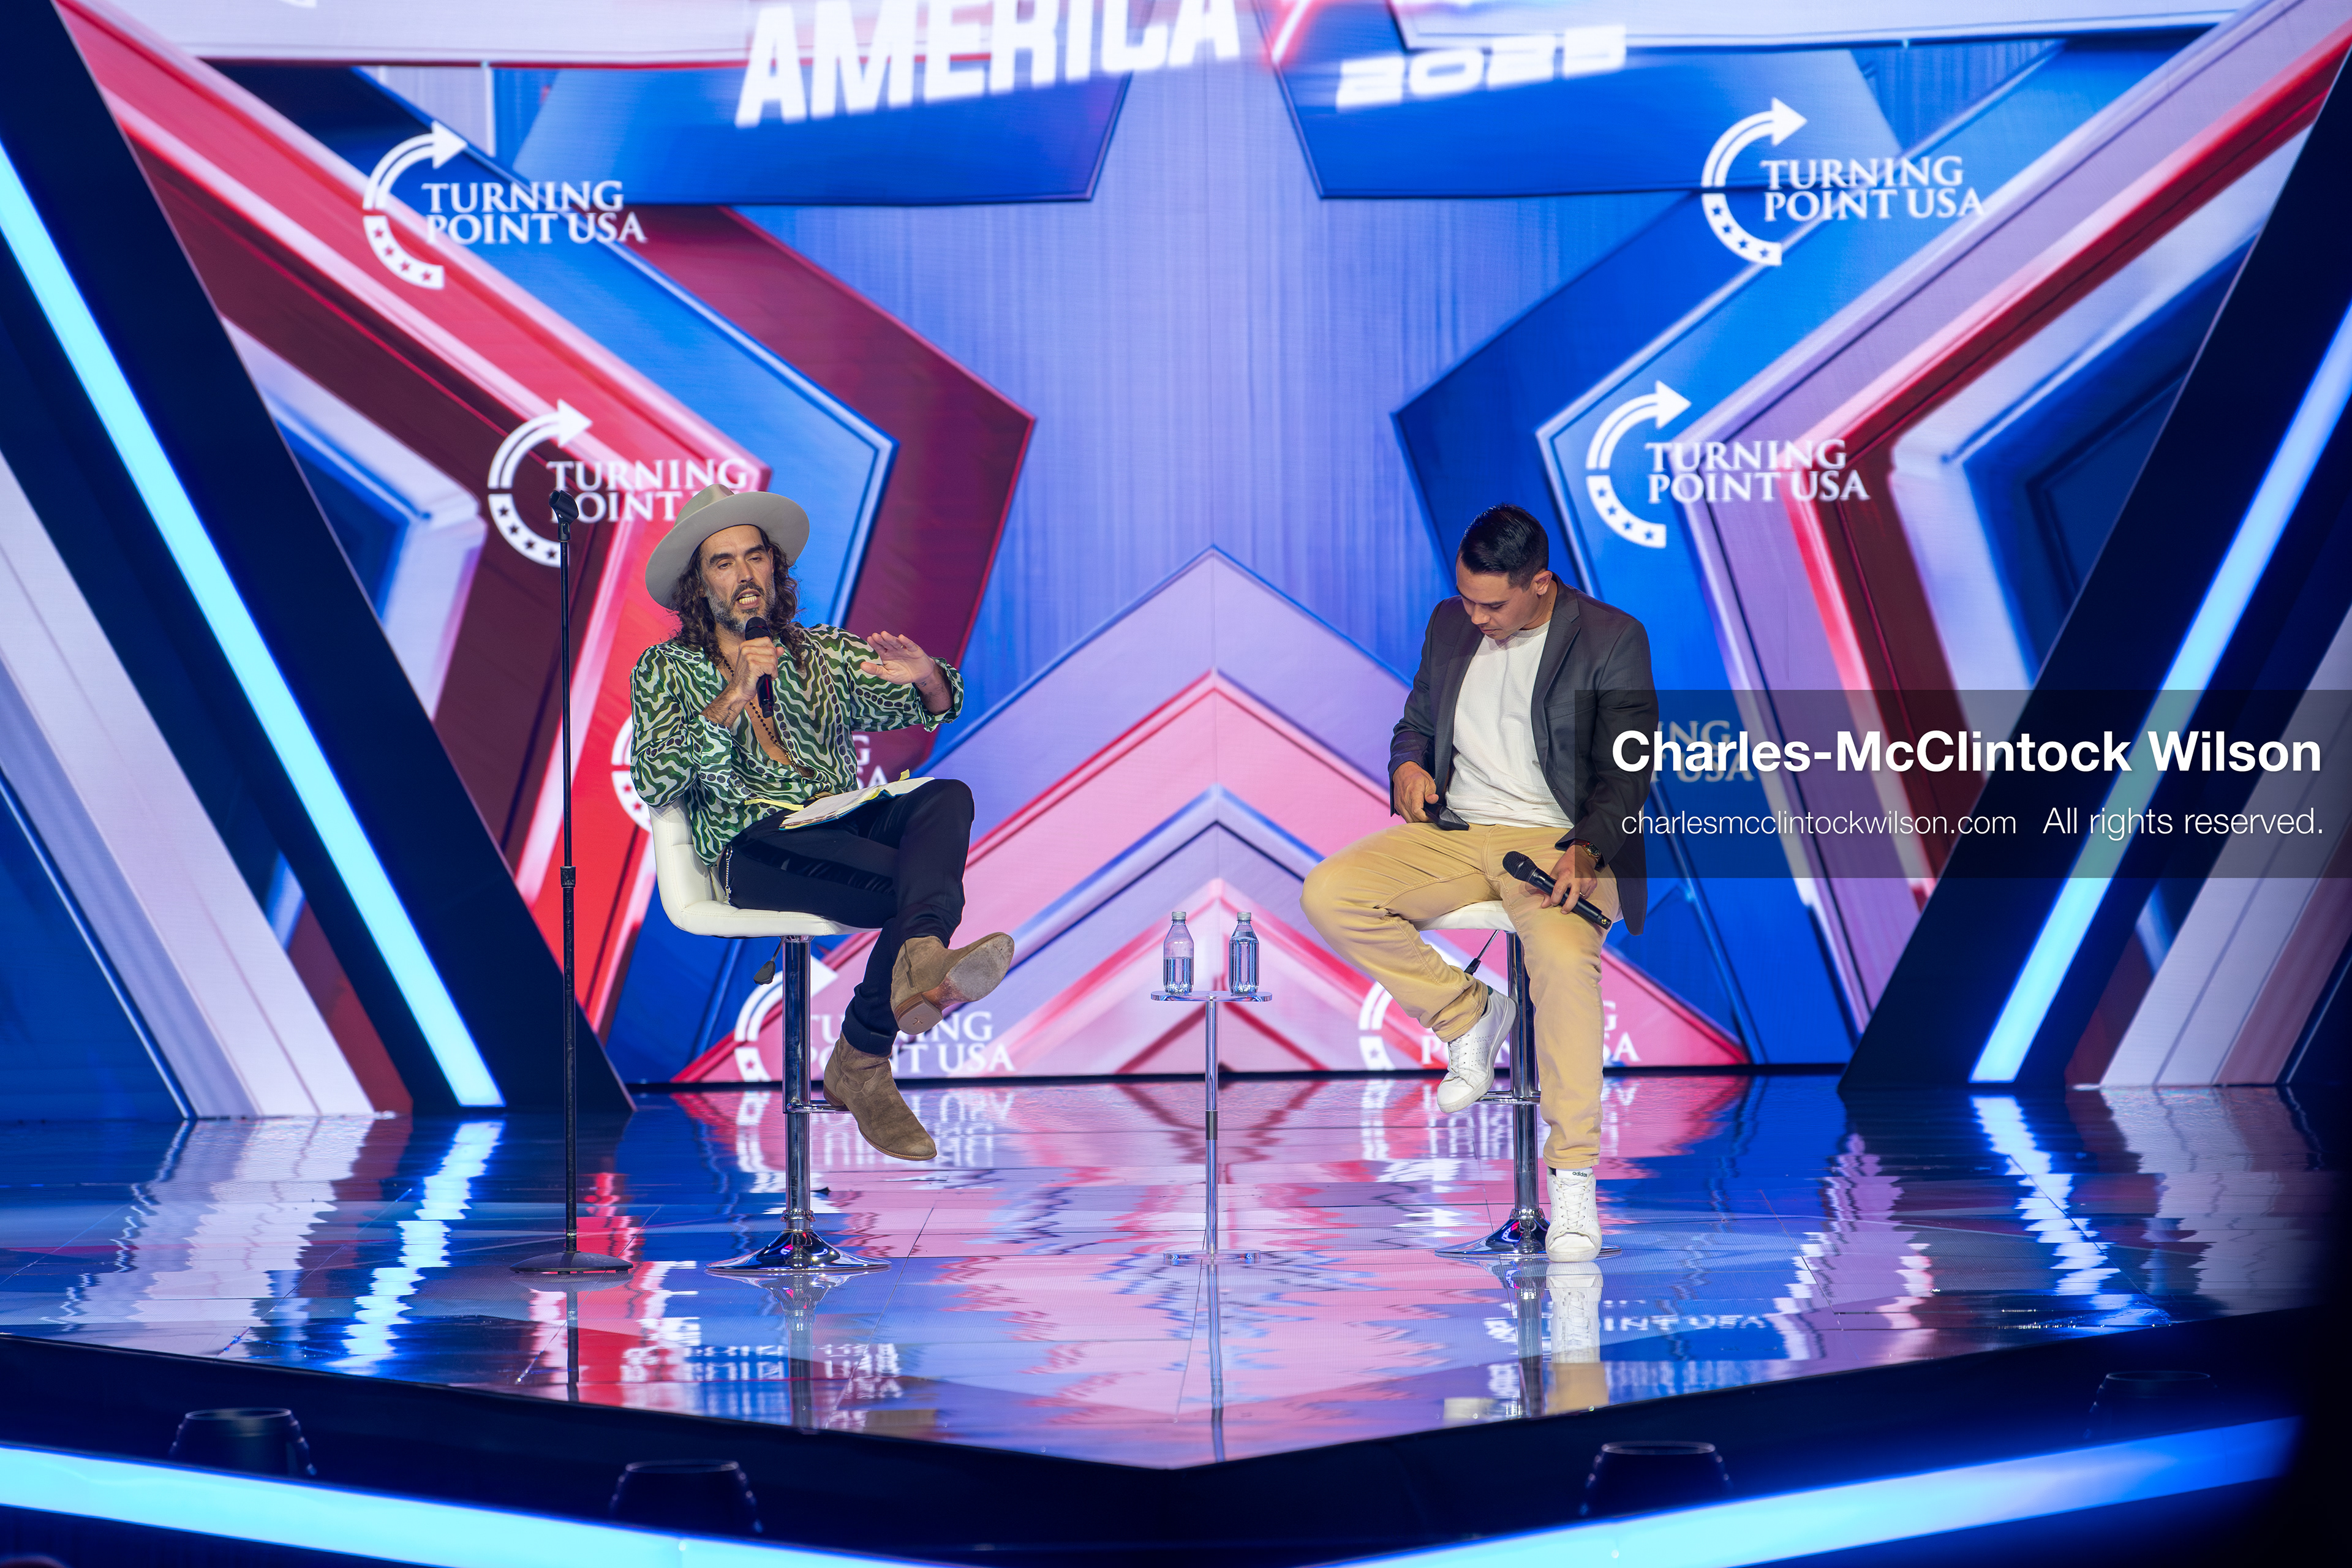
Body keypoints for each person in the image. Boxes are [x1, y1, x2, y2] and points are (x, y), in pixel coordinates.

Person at [1302, 505, 1656, 1261]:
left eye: (1492, 605)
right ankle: (1469, 1012)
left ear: (1541, 584)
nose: (1475, 617)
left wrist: (1589, 848)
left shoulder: (1612, 637)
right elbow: (1417, 722)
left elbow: (1628, 772)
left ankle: (1572, 1179)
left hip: (1559, 839)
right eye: (1466, 599)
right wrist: (1407, 764)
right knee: (1331, 892)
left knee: (1563, 963)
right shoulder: (1448, 622)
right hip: (1458, 831)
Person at [628, 484, 1013, 1161]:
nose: (745, 575)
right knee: (917, 889)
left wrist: (927, 678)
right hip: (752, 848)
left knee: (946, 797)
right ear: (699, 585)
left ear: (775, 567)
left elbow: (927, 705)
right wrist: (735, 692)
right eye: (723, 562)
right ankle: (867, 1050)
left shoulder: (818, 652)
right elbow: (656, 779)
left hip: (839, 823)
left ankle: (912, 973)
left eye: (755, 557)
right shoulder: (665, 669)